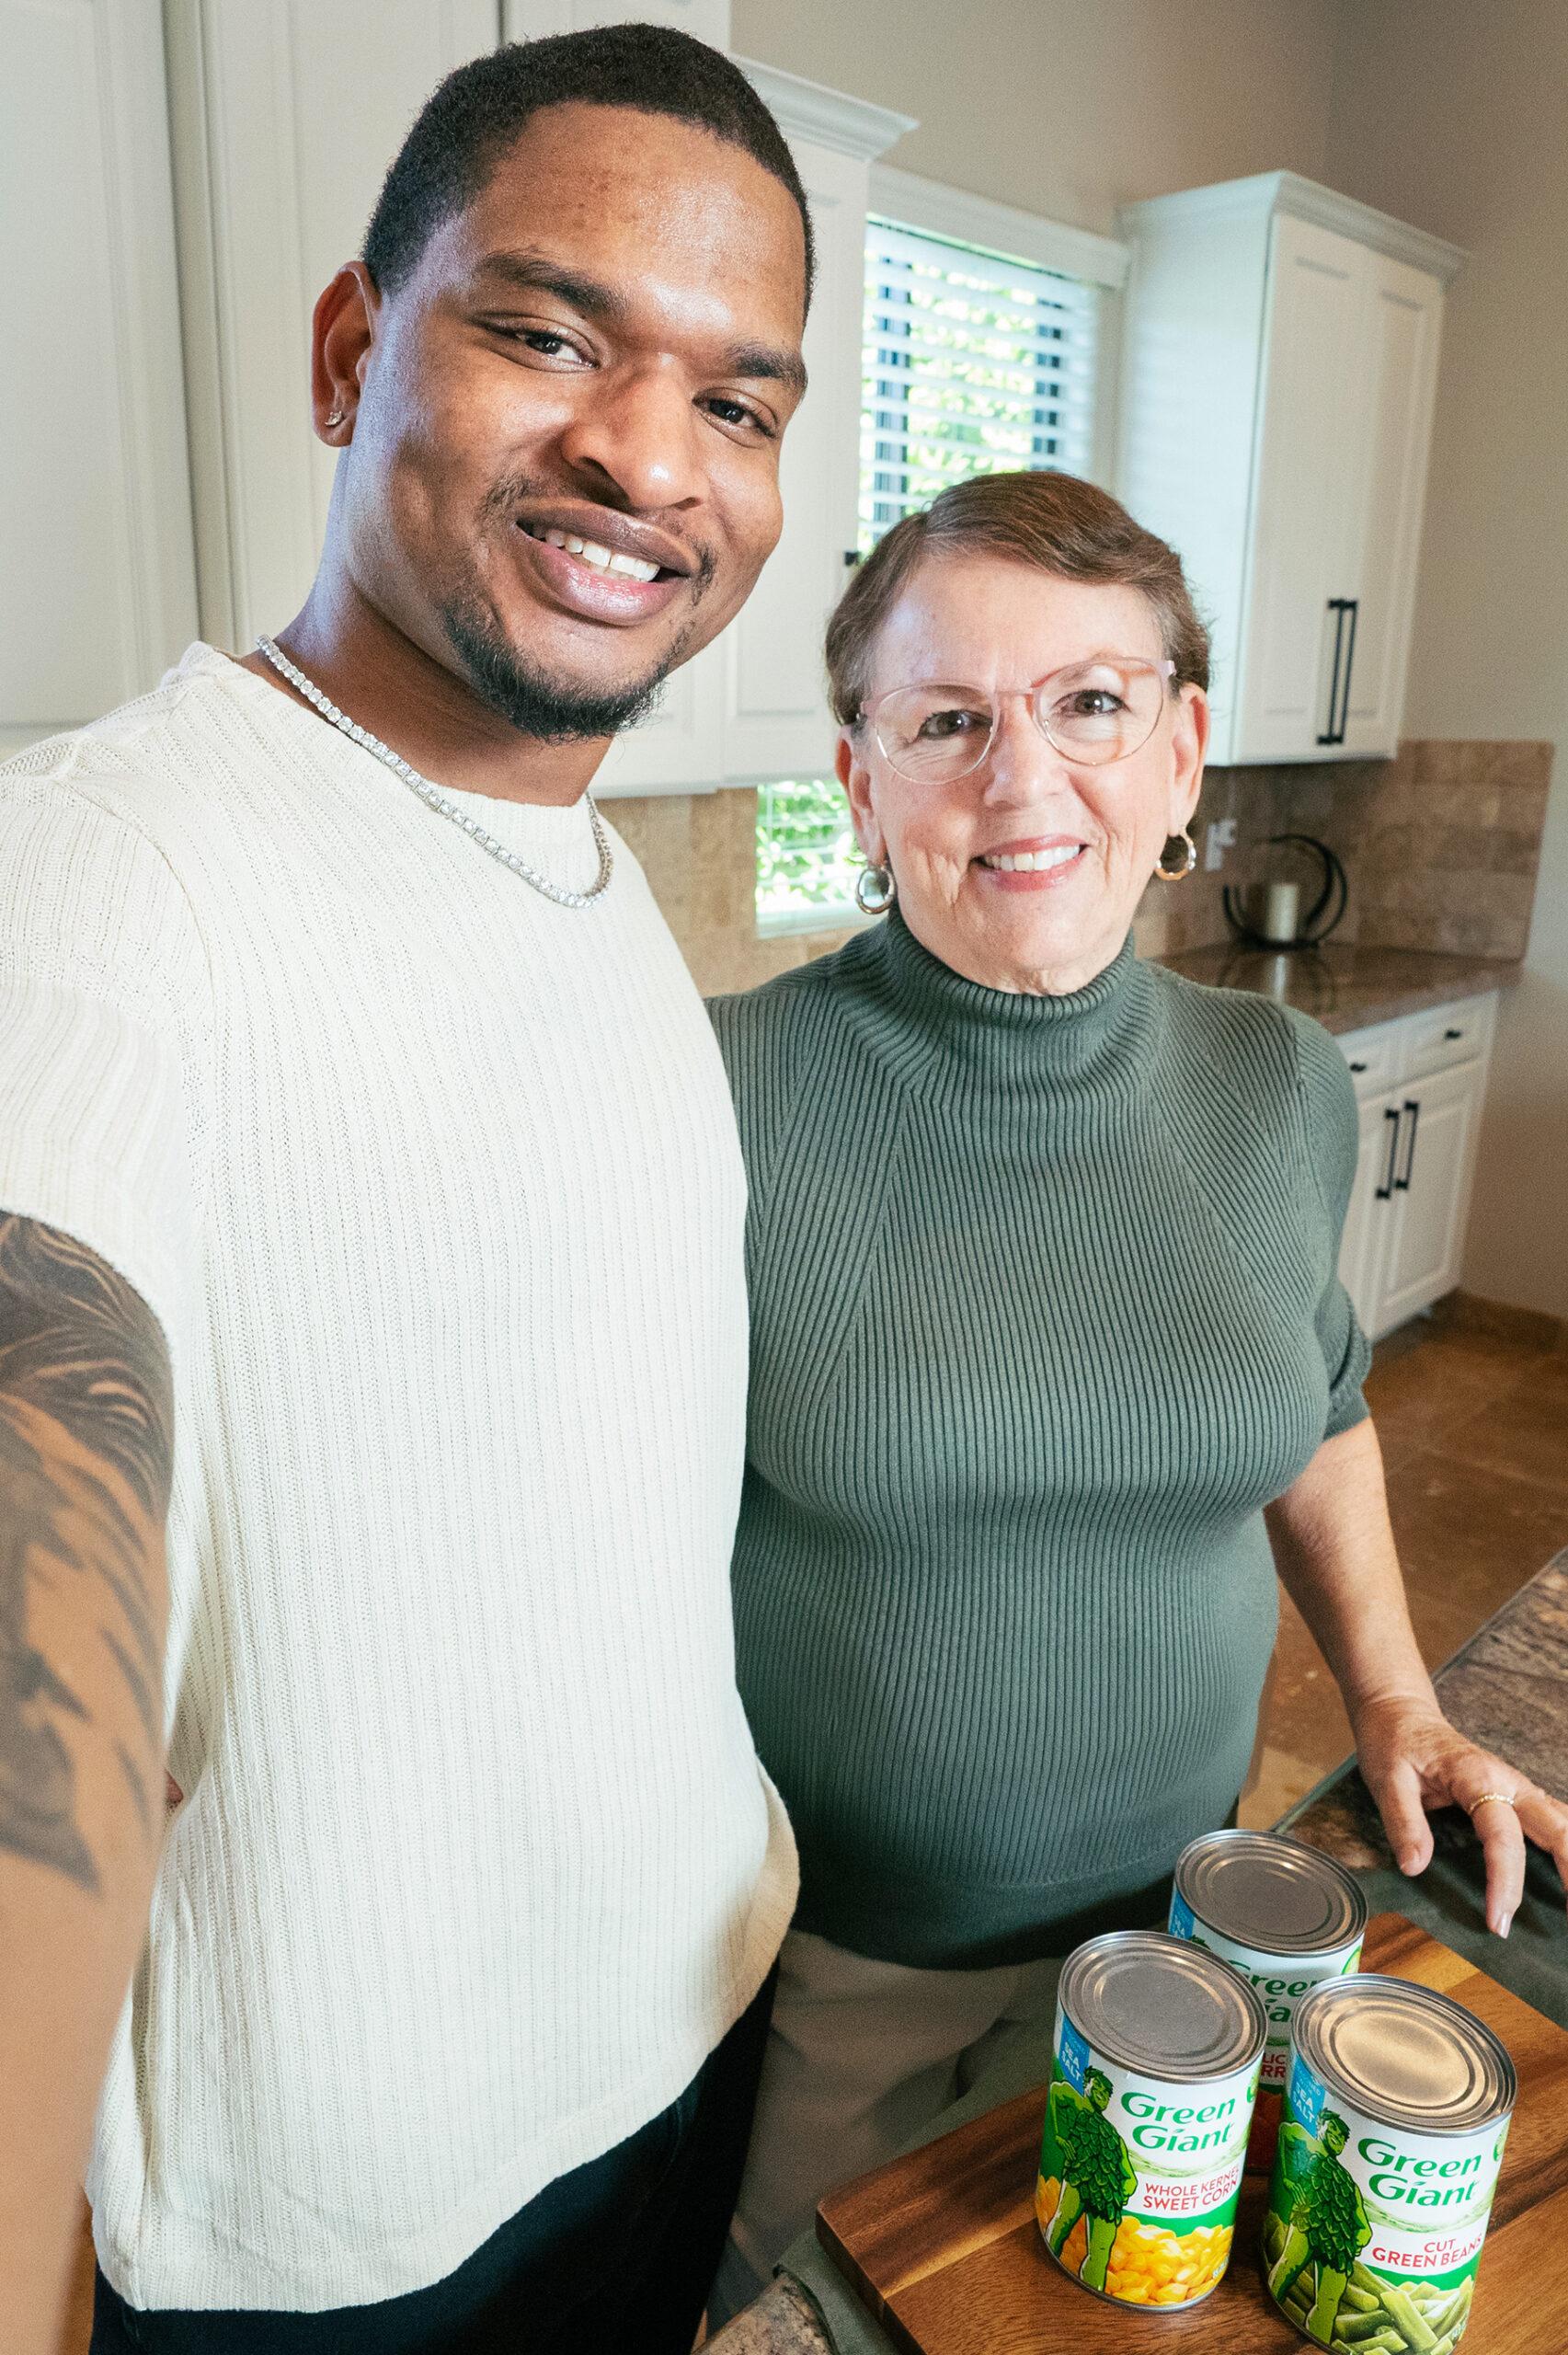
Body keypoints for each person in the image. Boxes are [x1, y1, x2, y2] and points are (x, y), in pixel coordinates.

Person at [0, 27, 814, 2353]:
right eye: (546, 330)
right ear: (357, 351)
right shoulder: (94, 889)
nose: (647, 456)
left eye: (735, 403)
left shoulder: (592, 875)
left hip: (677, 2048)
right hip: (335, 2248)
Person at [705, 468, 1568, 2316]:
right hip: (832, 1970)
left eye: (1088, 702)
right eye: (947, 720)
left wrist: (1397, 1696)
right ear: (861, 784)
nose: (1022, 778)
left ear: (1179, 751)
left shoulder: (1274, 1083)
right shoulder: (724, 1099)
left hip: (1203, 1931)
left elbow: (1315, 1401)